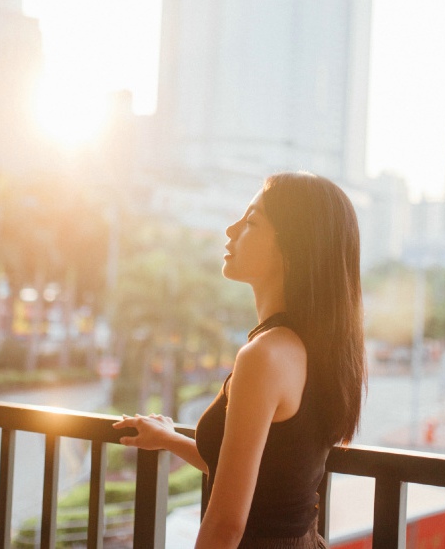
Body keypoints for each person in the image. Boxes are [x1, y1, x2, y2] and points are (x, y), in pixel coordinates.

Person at [113, 172, 367, 548]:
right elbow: (261, 477)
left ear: (292, 248)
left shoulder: (264, 356)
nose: (230, 230)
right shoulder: (314, 348)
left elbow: (227, 524)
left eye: (250, 222)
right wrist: (170, 439)